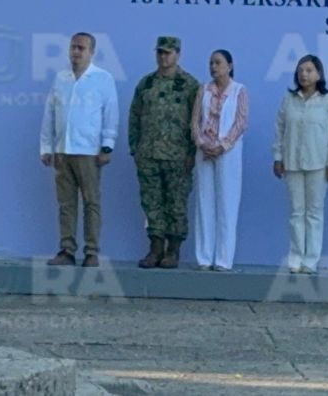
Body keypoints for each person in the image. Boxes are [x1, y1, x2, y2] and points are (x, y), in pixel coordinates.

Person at [39, 34, 118, 267]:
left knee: (91, 202)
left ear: (91, 52)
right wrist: (46, 147)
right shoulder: (61, 79)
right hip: (63, 150)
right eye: (73, 47)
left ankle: (91, 251)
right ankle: (67, 250)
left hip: (89, 151)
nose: (76, 52)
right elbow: (49, 114)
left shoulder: (102, 79)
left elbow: (110, 114)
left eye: (81, 48)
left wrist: (107, 145)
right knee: (66, 203)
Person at [129, 35, 201, 269]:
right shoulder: (146, 84)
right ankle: (155, 248)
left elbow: (197, 121)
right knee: (151, 204)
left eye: (168, 53)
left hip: (178, 157)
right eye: (160, 52)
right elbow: (134, 116)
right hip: (148, 155)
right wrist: (135, 148)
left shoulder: (190, 85)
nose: (163, 57)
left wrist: (192, 153)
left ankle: (173, 250)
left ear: (177, 54)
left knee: (176, 204)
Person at [274, 55, 328, 274]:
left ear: (319, 74)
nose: (304, 74)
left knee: (314, 213)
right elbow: (279, 129)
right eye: (301, 70)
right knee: (296, 212)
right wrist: (278, 157)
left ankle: (311, 260)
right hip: (292, 161)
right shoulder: (289, 99)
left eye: (309, 70)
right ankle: (295, 257)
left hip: (318, 163)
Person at [192, 49, 249, 271]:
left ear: (230, 65)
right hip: (204, 150)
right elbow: (195, 120)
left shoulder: (239, 91)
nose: (213, 67)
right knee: (204, 202)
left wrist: (222, 145)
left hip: (228, 153)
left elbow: (240, 122)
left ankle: (224, 259)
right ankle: (204, 258)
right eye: (211, 63)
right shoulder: (203, 90)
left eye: (218, 62)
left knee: (227, 203)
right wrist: (202, 142)